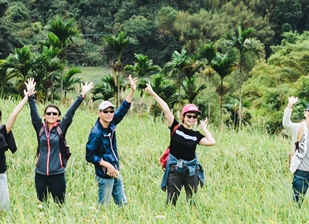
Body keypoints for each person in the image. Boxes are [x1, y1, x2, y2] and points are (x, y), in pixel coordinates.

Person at [143, 83, 215, 205]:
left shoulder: (196, 135)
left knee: (192, 201)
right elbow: (166, 109)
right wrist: (153, 93)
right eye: (189, 116)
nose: (191, 119)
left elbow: (212, 142)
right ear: (183, 116)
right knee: (171, 201)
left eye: (194, 117)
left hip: (191, 171)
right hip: (175, 169)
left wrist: (204, 128)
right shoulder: (175, 128)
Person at [27, 79, 89, 204]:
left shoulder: (61, 128)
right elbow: (33, 113)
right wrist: (30, 95)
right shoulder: (40, 128)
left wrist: (81, 95)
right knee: (42, 204)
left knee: (60, 205)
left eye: (54, 113)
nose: (51, 115)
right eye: (48, 113)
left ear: (58, 116)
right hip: (40, 174)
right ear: (44, 116)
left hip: (57, 175)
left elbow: (71, 112)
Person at [84, 78, 136, 207]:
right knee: (103, 206)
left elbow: (123, 109)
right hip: (104, 174)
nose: (109, 114)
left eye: (111, 111)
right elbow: (89, 156)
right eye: (105, 111)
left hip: (115, 170)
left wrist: (132, 91)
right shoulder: (96, 133)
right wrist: (107, 165)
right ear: (99, 113)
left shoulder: (111, 123)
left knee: (123, 204)